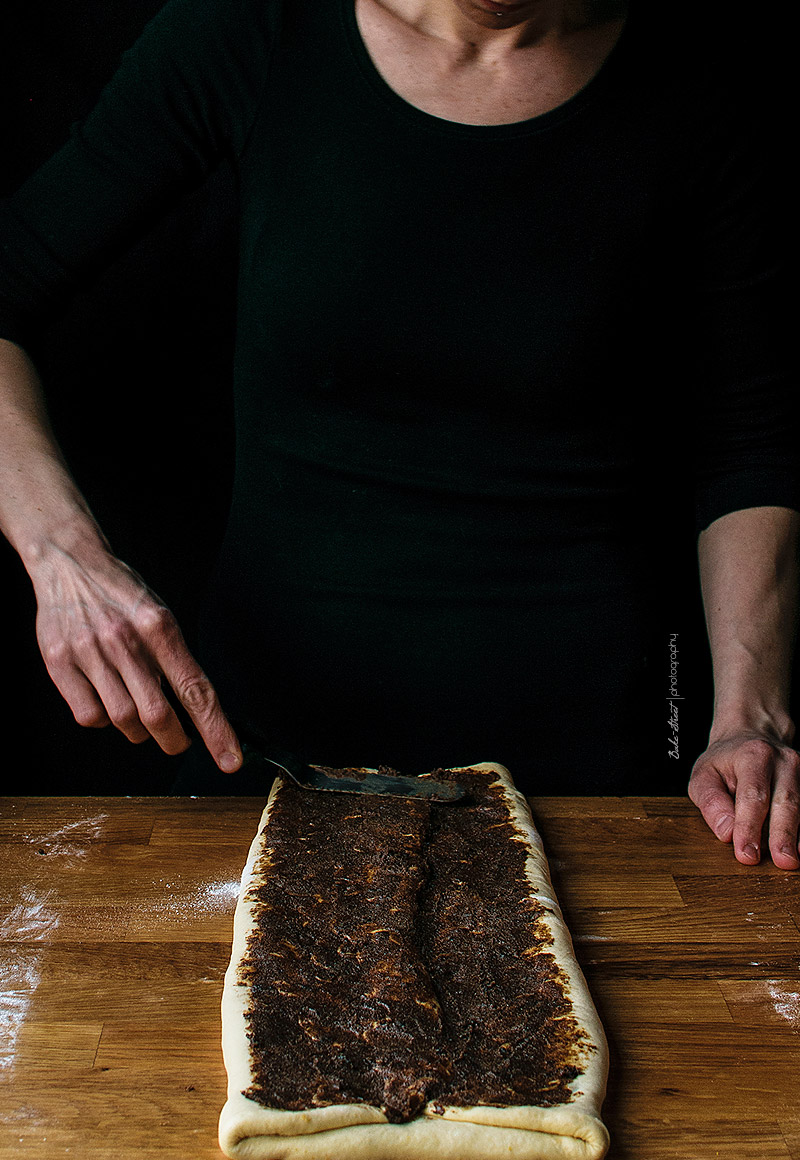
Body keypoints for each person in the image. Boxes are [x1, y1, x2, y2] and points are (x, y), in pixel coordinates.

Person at [0, 0, 798, 865]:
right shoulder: (252, 33)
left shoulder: (707, 82)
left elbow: (750, 438)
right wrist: (61, 551)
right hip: (273, 758)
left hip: (602, 773)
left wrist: (749, 717)